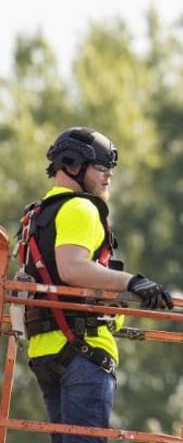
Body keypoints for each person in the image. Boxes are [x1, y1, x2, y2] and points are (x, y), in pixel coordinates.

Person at [18, 126, 174, 443]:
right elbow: (73, 268)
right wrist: (133, 282)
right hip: (84, 352)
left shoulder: (35, 218)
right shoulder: (81, 207)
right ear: (74, 165)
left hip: (43, 352)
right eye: (101, 168)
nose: (108, 177)